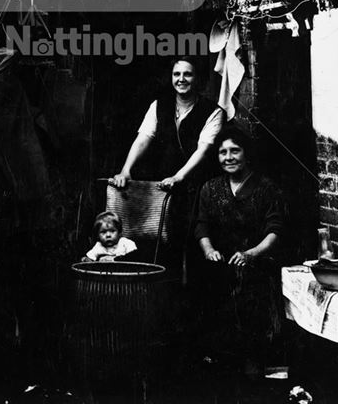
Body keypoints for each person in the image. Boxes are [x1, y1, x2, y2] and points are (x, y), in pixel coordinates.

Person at [110, 58, 225, 273]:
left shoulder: (213, 112)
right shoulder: (159, 105)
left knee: (193, 247)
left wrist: (179, 176)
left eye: (187, 74)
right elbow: (143, 138)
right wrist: (126, 169)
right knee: (160, 244)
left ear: (197, 78)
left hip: (197, 187)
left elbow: (203, 149)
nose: (181, 79)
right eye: (176, 74)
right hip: (164, 187)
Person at [194, 125, 285, 376]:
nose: (229, 157)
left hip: (257, 265)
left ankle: (252, 367)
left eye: (235, 151)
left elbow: (274, 230)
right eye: (223, 152)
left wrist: (251, 254)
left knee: (251, 303)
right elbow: (201, 228)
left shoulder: (266, 188)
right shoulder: (210, 189)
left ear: (246, 154)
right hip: (221, 264)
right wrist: (209, 250)